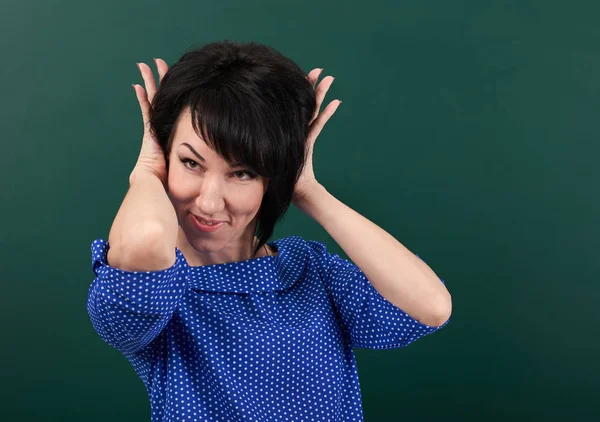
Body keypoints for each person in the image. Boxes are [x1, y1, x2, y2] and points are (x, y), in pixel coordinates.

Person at [86, 41, 452, 422]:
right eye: (191, 162)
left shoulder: (309, 270)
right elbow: (144, 242)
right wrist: (146, 169)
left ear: (272, 179)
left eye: (242, 173)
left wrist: (310, 191)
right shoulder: (158, 292)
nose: (210, 202)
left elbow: (431, 307)